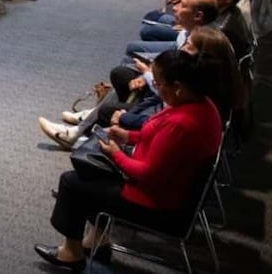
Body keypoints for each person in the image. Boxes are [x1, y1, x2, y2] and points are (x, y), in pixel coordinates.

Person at [34, 50, 222, 271]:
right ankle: (96, 239)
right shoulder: (201, 105)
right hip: (171, 189)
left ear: (178, 87)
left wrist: (117, 154)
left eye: (159, 83)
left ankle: (71, 253)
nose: (157, 88)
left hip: (157, 203)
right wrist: (129, 136)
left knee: (72, 182)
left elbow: (146, 173)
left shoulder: (181, 124)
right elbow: (158, 136)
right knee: (92, 174)